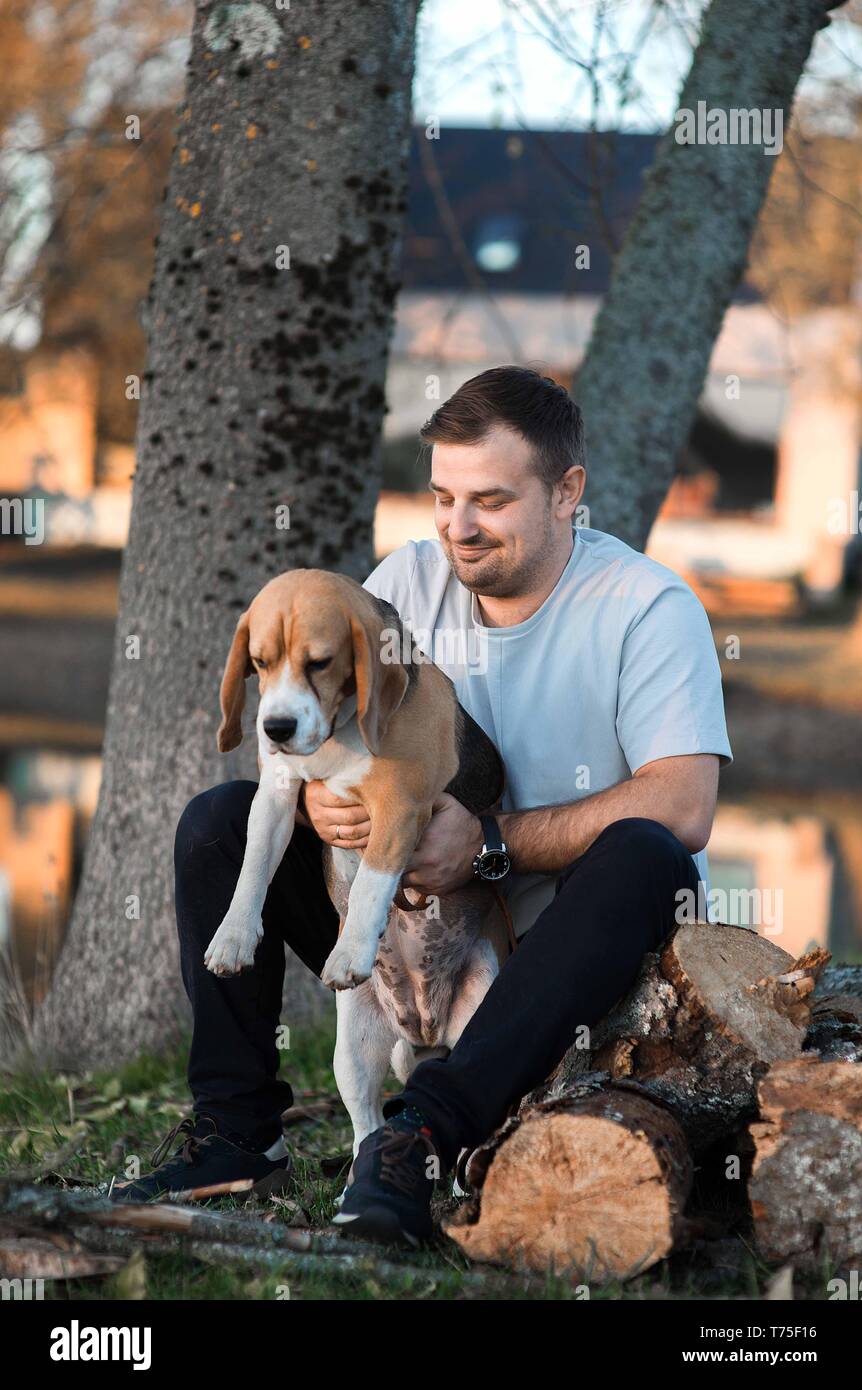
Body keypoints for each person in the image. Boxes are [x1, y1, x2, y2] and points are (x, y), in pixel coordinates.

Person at [111, 367, 732, 1248]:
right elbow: (322, 733)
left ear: (567, 493)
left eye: (489, 499)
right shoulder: (400, 584)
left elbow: (686, 804)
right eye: (442, 496)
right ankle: (233, 1135)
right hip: (408, 916)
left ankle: (418, 1136)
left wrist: (487, 846)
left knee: (647, 850)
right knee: (220, 822)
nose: (458, 526)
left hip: (564, 956)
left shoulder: (644, 607)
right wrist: (328, 810)